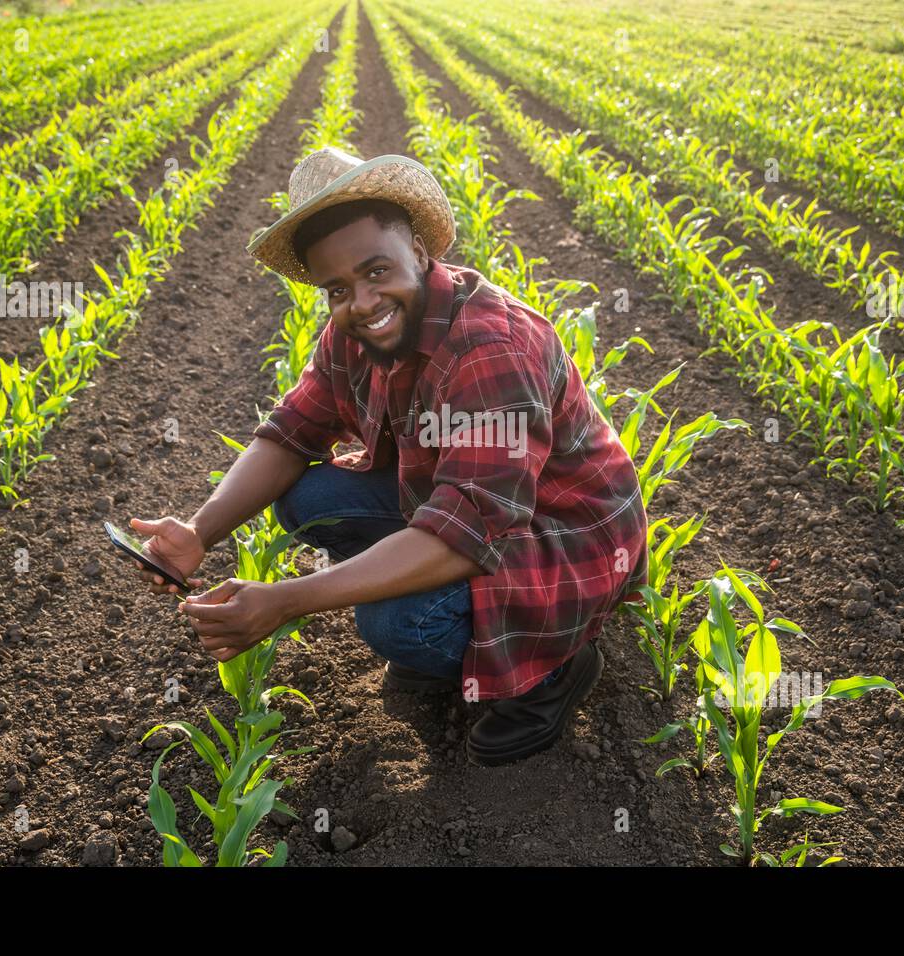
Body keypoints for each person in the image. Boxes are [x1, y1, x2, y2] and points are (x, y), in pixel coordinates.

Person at [130, 147, 647, 767]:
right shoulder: (353, 329)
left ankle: (554, 671)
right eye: (338, 288)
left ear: (422, 254)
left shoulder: (491, 349)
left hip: (562, 535)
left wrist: (284, 599)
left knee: (394, 624)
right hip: (465, 509)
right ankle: (455, 632)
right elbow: (292, 430)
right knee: (310, 499)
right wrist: (198, 531)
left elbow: (465, 531)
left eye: (378, 271)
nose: (363, 301)